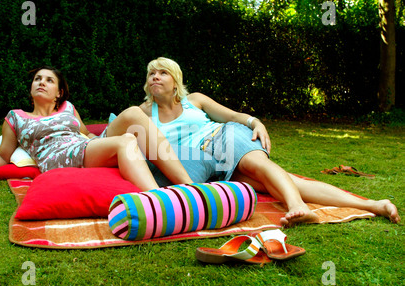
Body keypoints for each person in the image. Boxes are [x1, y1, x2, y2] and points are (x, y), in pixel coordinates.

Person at [139, 57, 400, 226]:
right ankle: (374, 205)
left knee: (259, 167)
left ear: (176, 82)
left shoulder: (194, 100)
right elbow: (119, 133)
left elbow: (232, 116)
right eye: (151, 74)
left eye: (163, 73)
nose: (155, 77)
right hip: (205, 163)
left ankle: (297, 206)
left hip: (223, 137)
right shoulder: (143, 112)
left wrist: (256, 123)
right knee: (281, 180)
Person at [0, 66, 193, 191]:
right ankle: (157, 199)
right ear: (31, 88)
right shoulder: (16, 117)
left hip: (84, 146)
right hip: (58, 156)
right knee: (126, 141)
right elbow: (3, 157)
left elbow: (85, 134)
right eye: (37, 79)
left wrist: (102, 139)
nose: (41, 82)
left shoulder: (68, 108)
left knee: (133, 113)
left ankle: (190, 187)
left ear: (59, 93)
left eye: (49, 80)